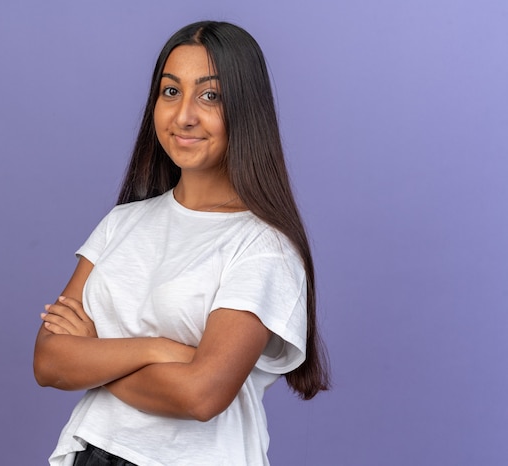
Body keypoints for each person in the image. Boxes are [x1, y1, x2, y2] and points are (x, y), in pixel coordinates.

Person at [34, 20, 329, 466]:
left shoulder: (263, 248)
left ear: (246, 110)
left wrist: (96, 352)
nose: (184, 115)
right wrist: (160, 351)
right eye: (171, 91)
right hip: (91, 452)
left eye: (210, 96)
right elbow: (49, 362)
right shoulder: (121, 223)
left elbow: (201, 395)